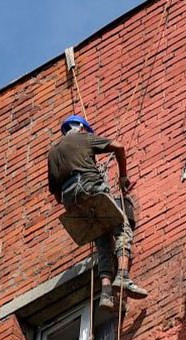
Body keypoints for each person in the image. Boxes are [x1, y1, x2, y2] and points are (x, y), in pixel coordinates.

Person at [47, 115, 149, 309]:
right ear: (82, 128)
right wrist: (123, 177)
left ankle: (106, 294)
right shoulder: (84, 138)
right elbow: (119, 147)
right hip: (89, 187)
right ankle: (123, 276)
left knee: (102, 241)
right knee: (122, 225)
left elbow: (56, 195)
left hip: (72, 202)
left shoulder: (53, 153)